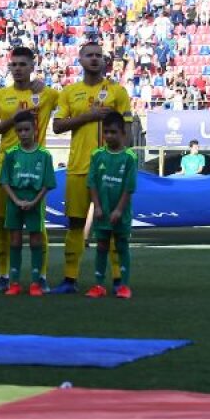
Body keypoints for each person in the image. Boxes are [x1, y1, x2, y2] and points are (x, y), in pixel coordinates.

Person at [52, 42, 131, 293]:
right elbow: (57, 126)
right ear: (80, 59)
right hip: (78, 167)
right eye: (90, 55)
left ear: (105, 60)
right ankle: (70, 279)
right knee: (75, 223)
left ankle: (118, 281)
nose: (94, 59)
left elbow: (126, 131)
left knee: (113, 225)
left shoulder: (117, 92)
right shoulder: (69, 92)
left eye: (99, 55)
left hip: (109, 169)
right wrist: (90, 115)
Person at [0, 46, 58, 290]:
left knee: (38, 226)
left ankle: (41, 277)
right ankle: (5, 276)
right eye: (14, 65)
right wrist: (13, 118)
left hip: (36, 168)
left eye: (22, 65)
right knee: (5, 224)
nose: (17, 69)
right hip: (7, 167)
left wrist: (43, 84)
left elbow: (67, 100)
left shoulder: (46, 94)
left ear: (32, 67)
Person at [0, 111, 57, 297]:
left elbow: (48, 183)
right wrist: (16, 200)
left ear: (35, 130)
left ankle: (35, 283)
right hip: (14, 201)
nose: (23, 133)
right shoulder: (11, 154)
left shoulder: (44, 155)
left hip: (35, 201)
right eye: (19, 130)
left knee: (35, 240)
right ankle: (14, 283)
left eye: (26, 129)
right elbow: (5, 181)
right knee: (15, 240)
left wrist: (34, 201)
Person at [85, 111, 137, 299]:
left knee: (122, 245)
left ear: (123, 133)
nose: (109, 136)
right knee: (101, 245)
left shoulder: (129, 157)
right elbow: (92, 183)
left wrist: (119, 210)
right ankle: (98, 285)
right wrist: (97, 206)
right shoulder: (97, 155)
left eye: (113, 132)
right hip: (102, 211)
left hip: (120, 212)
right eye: (106, 132)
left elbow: (129, 187)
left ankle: (124, 286)